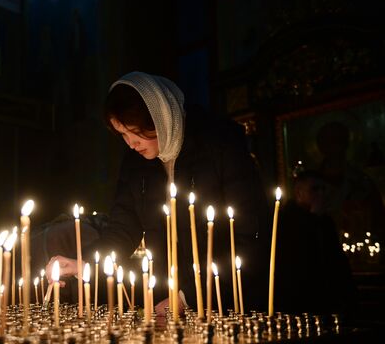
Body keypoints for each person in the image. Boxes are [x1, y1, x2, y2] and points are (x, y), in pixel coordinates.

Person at [46, 72, 269, 314]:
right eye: (123, 134)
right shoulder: (135, 164)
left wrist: (188, 298)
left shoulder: (219, 145)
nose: (130, 143)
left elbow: (250, 236)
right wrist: (85, 262)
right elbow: (122, 231)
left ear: (157, 117)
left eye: (134, 131)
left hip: (234, 299)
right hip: (169, 300)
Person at [274, 170, 356, 316]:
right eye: (315, 189)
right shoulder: (286, 220)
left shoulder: (325, 221)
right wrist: (313, 218)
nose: (321, 194)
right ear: (299, 192)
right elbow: (297, 257)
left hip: (327, 299)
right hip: (300, 300)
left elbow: (335, 258)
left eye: (323, 189)